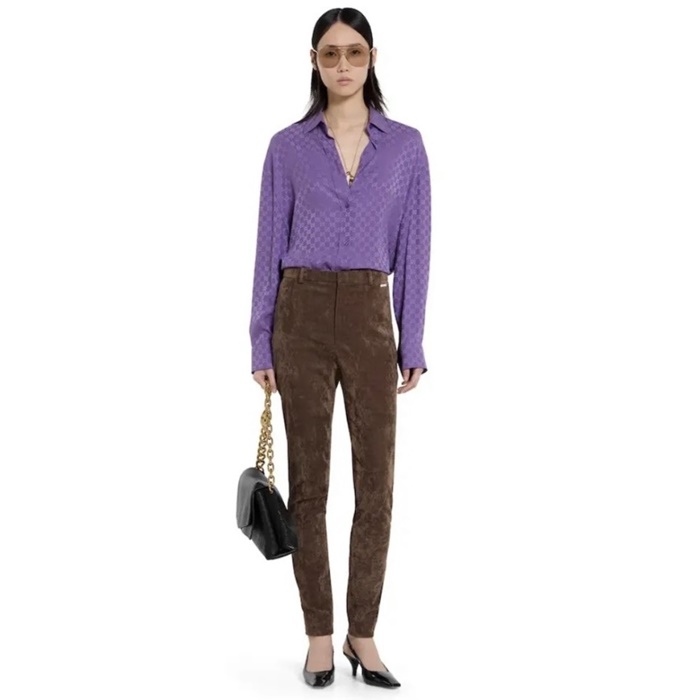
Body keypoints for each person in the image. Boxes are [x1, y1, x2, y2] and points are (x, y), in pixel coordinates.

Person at [248, 7, 431, 689]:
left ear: (372, 58)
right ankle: (319, 636)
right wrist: (260, 338)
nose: (343, 65)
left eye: (355, 52)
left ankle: (364, 633)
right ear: (314, 62)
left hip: (369, 315)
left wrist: (412, 336)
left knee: (377, 483)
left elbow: (415, 247)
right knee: (309, 486)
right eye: (331, 54)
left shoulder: (405, 146)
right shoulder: (287, 147)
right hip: (298, 315)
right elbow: (268, 244)